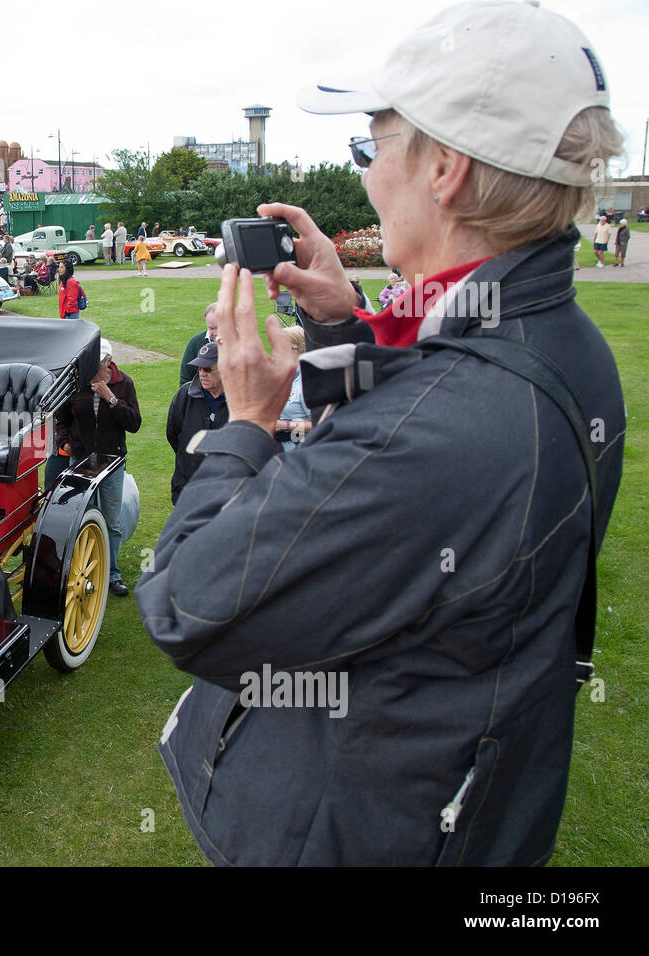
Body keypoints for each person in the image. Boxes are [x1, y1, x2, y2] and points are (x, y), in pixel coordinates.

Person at [138, 0, 626, 866]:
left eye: (371, 146)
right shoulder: (563, 341)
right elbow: (440, 405)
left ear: (444, 169)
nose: (364, 175)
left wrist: (247, 423)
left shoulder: (440, 430)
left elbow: (187, 603)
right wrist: (344, 328)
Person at [53, 338, 139, 596]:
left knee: (111, 522)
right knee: (81, 520)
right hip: (79, 463)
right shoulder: (76, 384)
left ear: (108, 362)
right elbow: (62, 417)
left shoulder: (124, 384)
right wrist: (65, 442)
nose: (91, 370)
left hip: (112, 464)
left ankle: (112, 575)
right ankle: (86, 572)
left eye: (96, 364)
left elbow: (134, 423)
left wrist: (110, 398)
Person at [166, 341, 228, 504]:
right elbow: (173, 432)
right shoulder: (186, 394)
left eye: (207, 369)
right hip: (188, 483)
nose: (202, 373)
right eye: (199, 368)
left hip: (225, 486)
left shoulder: (238, 398)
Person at [273, 324, 311, 451]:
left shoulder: (306, 382)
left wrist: (285, 425)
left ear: (300, 349)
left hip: (298, 452)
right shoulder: (281, 377)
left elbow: (318, 425)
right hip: (276, 448)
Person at [179, 303, 219, 386]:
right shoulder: (196, 342)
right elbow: (186, 380)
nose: (215, 333)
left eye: (219, 327)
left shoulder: (244, 342)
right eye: (211, 328)